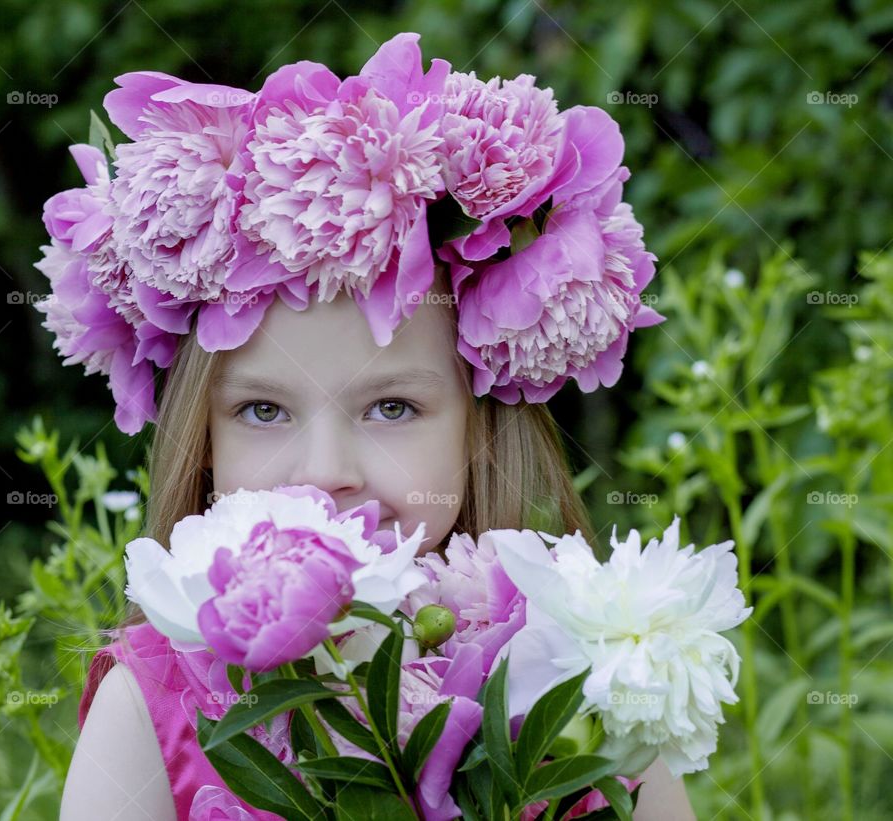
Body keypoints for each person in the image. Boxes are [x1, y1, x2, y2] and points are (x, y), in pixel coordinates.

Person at [37, 32, 695, 820]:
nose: (324, 472)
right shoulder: (151, 707)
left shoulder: (587, 676)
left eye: (392, 407)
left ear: (479, 430)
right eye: (263, 410)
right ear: (201, 443)